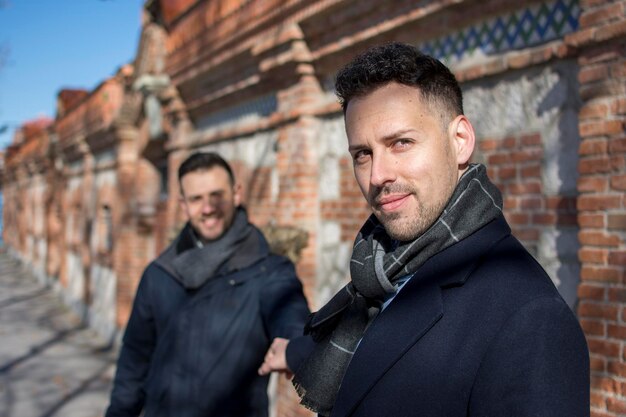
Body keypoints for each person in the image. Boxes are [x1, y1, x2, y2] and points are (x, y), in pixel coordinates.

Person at [258, 42, 590, 417]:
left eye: (401, 143)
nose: (378, 175)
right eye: (362, 154)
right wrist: (291, 350)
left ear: (460, 141)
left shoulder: (530, 318)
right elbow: (369, 354)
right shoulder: (380, 271)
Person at [105, 152, 310, 417]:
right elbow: (134, 363)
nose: (208, 208)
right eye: (196, 199)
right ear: (183, 206)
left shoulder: (269, 271)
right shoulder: (159, 274)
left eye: (216, 196)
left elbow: (291, 316)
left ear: (236, 194)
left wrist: (294, 342)